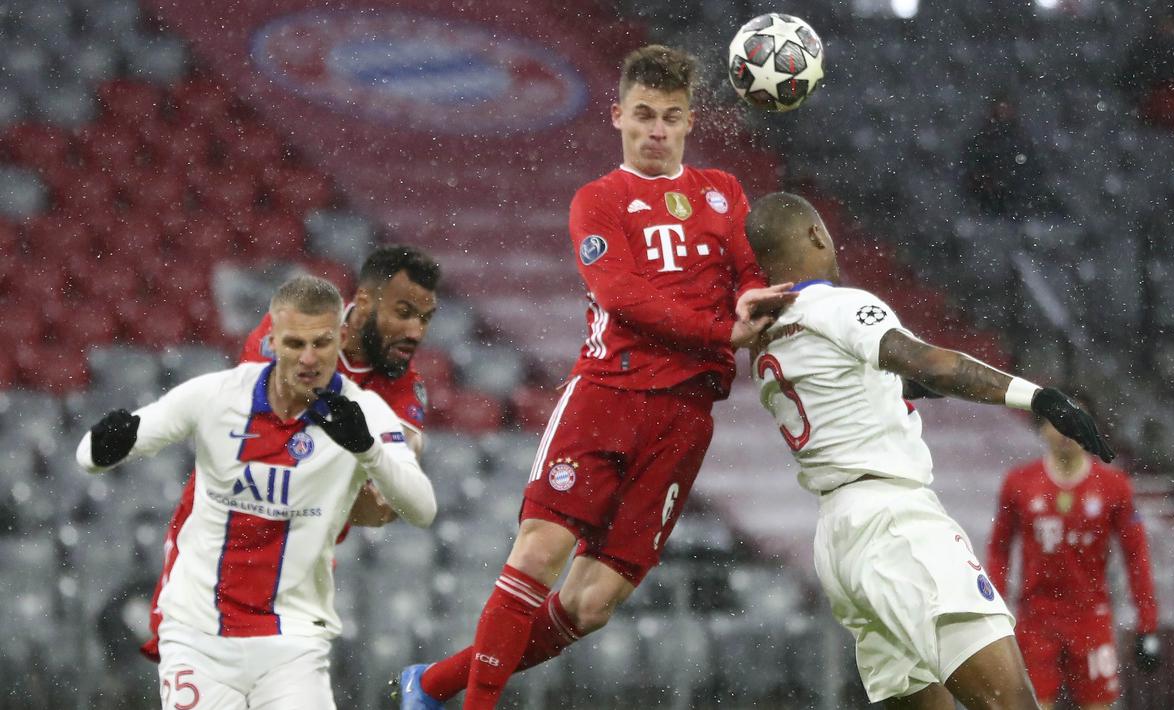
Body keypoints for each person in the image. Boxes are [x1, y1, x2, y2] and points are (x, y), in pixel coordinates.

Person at [398, 44, 795, 709]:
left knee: (590, 605)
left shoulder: (722, 191)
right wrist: (719, 331)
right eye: (643, 114)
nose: (656, 130)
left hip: (686, 416)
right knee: (537, 554)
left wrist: (752, 294)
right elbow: (623, 297)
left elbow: (746, 271)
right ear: (618, 116)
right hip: (610, 396)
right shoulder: (599, 200)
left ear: (689, 121)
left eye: (670, 116)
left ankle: (433, 684)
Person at [742, 191, 1116, 710]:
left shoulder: (767, 338)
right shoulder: (837, 305)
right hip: (896, 527)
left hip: (840, 541)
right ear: (815, 235)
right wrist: (1039, 397)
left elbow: (882, 386)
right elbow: (931, 364)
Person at [78, 275, 437, 710]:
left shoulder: (365, 413)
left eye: (322, 343)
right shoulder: (217, 395)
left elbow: (423, 509)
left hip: (293, 641)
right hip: (198, 636)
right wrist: (100, 447)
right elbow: (93, 453)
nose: (309, 358)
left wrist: (368, 450)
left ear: (341, 338)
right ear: (272, 341)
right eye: (295, 344)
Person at [142, 245, 441, 661]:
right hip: (220, 542)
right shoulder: (295, 325)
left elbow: (387, 505)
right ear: (365, 302)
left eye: (425, 318)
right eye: (404, 313)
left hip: (297, 566)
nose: (416, 332)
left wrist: (371, 487)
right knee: (190, 666)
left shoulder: (405, 393)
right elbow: (254, 437)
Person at [988, 396, 1161, 710]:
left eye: (1075, 420)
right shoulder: (1019, 483)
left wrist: (1147, 623)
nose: (1066, 430)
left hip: (1091, 619)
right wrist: (994, 615)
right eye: (1058, 420)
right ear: (1042, 427)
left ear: (1090, 427)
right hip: (1036, 620)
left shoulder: (1114, 486)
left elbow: (1136, 556)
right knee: (1032, 705)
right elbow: (999, 551)